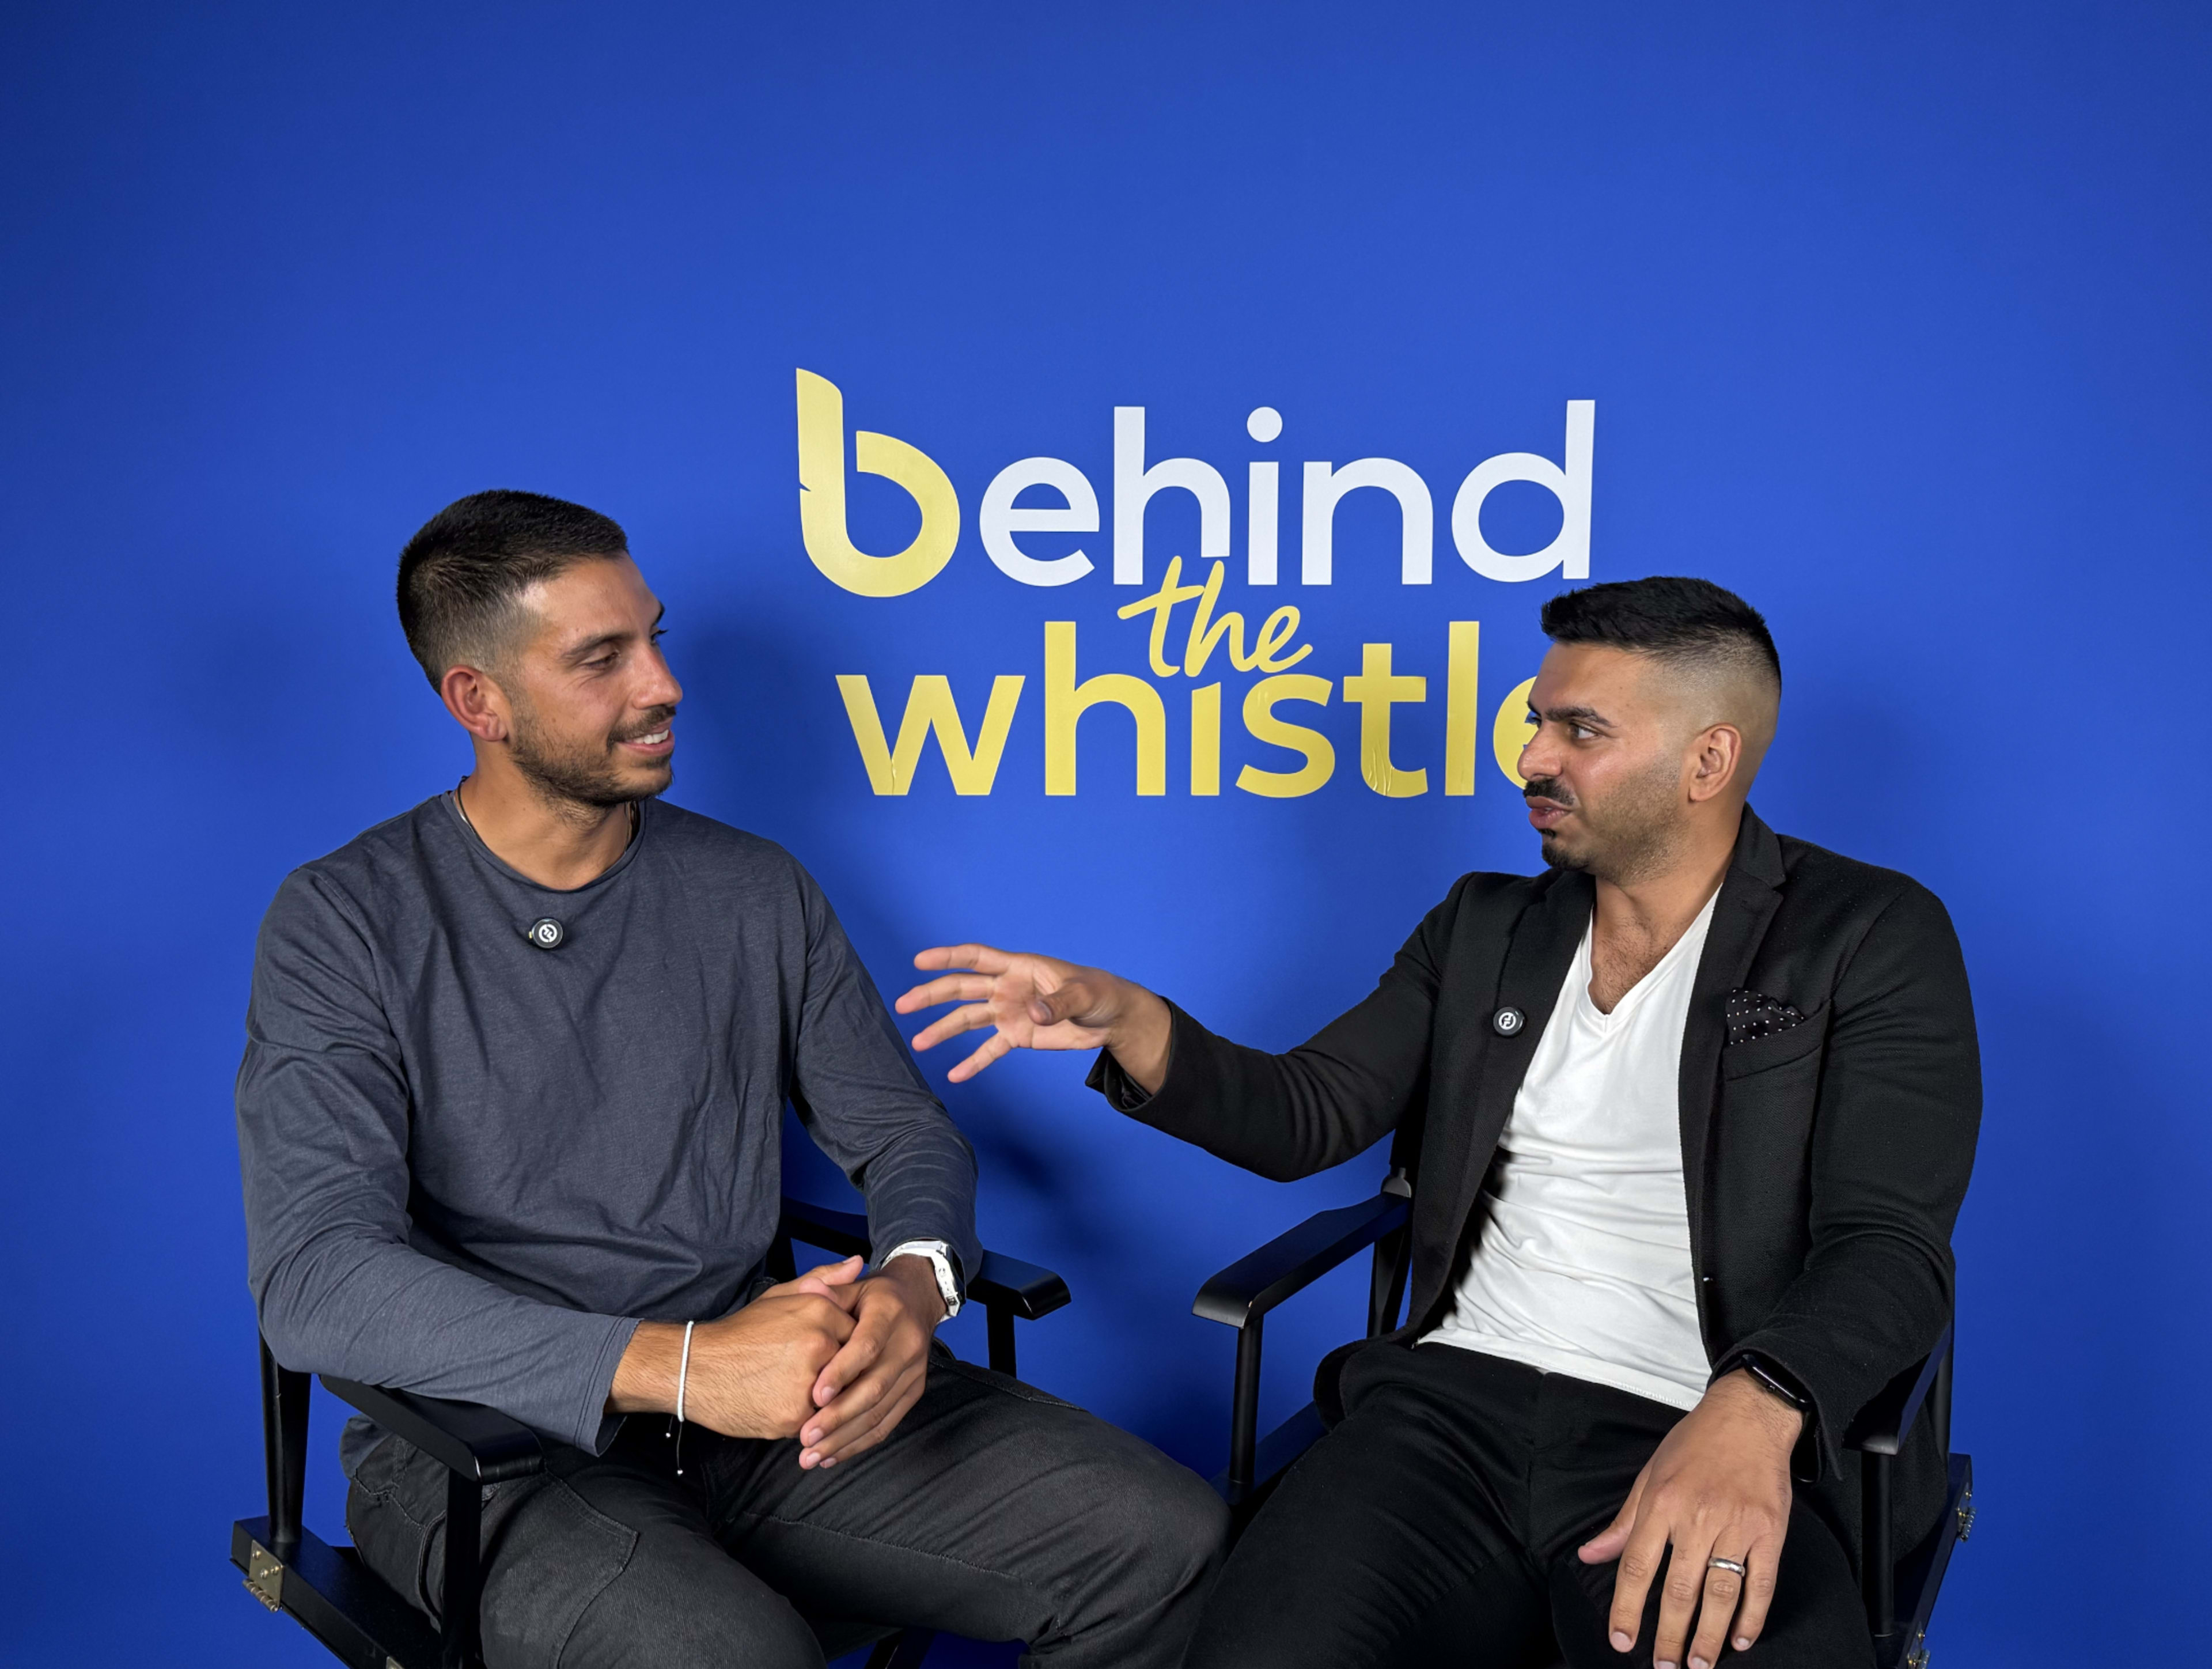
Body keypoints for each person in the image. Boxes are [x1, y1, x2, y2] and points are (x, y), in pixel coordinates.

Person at [899, 576, 1979, 1669]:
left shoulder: (1867, 936)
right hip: (1445, 1415)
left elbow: (1889, 1245)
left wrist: (1760, 1406)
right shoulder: (1484, 927)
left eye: (1580, 730)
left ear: (1709, 761)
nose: (1531, 759)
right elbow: (1307, 1114)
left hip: (1700, 1419)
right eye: (1535, 719)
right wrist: (1131, 1022)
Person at [235, 489, 1225, 1669]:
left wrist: (915, 1291)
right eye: (602, 658)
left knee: (1167, 1537)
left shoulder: (755, 890)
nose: (663, 684)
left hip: (773, 1405)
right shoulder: (345, 918)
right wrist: (690, 1369)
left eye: (656, 636)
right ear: (478, 702)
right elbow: (314, 1279)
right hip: (486, 1449)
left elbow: (905, 1138)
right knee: (729, 1653)